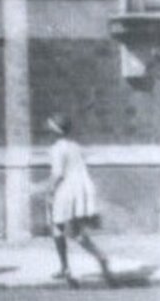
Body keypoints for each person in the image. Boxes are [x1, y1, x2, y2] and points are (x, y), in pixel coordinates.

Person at [42, 115, 116, 285]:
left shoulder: (56, 149)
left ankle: (100, 257)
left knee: (70, 230)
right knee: (58, 227)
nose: (47, 132)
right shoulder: (74, 146)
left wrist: (46, 189)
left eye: (49, 129)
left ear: (55, 131)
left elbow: (58, 174)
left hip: (66, 190)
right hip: (79, 189)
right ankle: (65, 267)